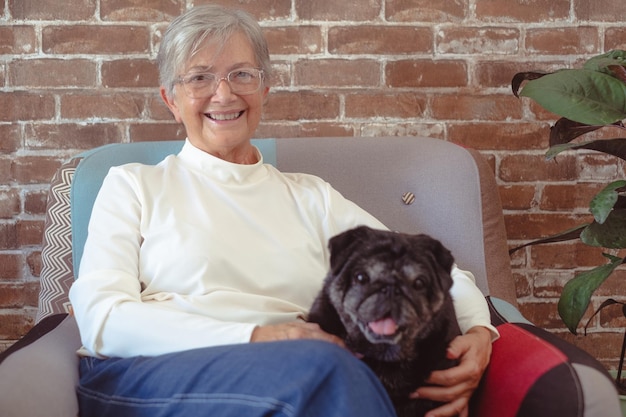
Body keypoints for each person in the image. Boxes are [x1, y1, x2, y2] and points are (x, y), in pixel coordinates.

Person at [69, 5, 498, 417]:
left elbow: (429, 268)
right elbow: (103, 318)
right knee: (331, 371)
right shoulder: (134, 185)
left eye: (241, 74)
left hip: (303, 373)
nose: (224, 93)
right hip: (151, 373)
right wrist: (259, 336)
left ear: (264, 89)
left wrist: (480, 332)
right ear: (171, 99)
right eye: (200, 77)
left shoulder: (312, 197)